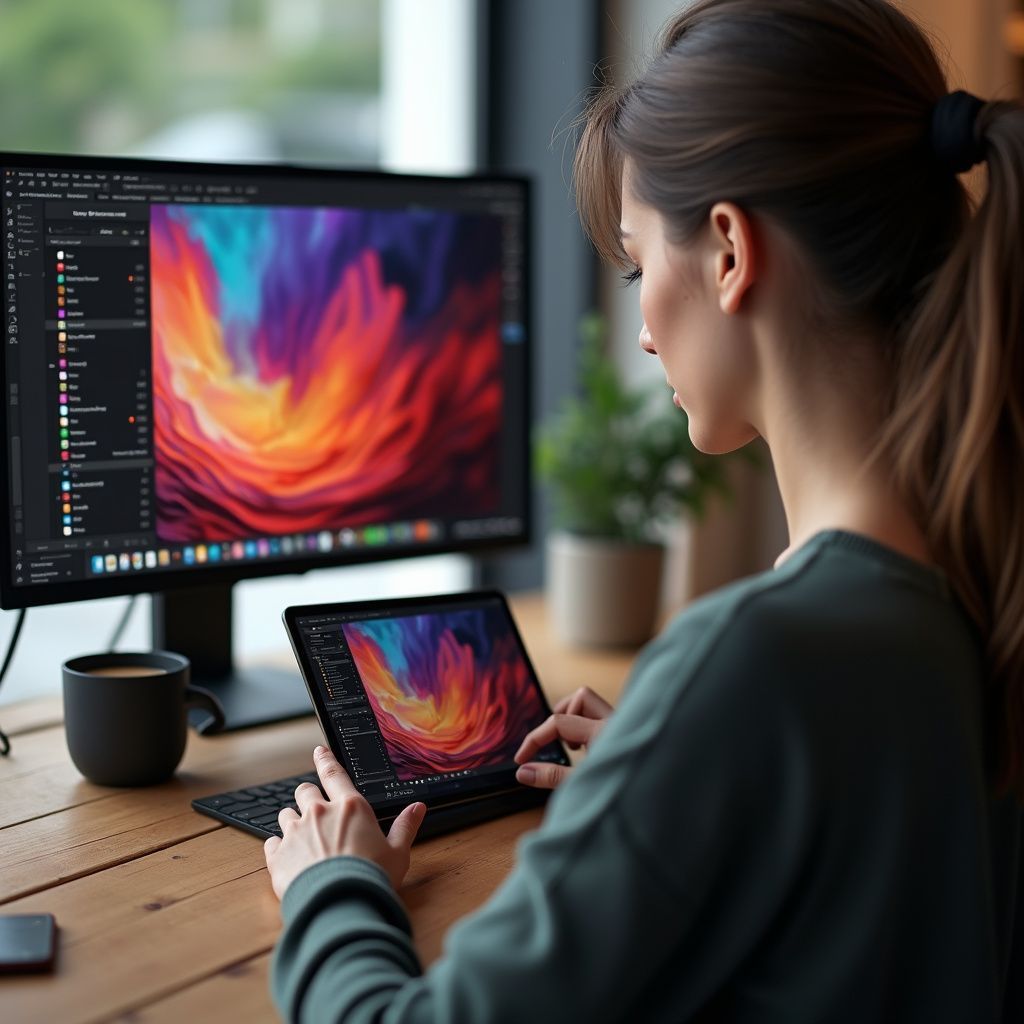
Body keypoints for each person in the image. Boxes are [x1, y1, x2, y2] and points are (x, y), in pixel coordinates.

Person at [264, 1, 1024, 1019]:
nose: (645, 332)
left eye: (633, 263)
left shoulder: (757, 660)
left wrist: (331, 889)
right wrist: (683, 786)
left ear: (726, 250)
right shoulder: (975, 587)